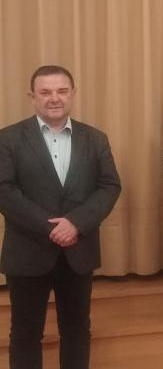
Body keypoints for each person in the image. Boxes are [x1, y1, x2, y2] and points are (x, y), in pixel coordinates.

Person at [0, 65, 122, 369]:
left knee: (77, 330)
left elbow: (109, 186)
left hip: (78, 253)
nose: (54, 98)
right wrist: (51, 227)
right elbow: (4, 190)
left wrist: (76, 223)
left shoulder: (96, 138)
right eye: (45, 92)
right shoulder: (8, 139)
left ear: (73, 94)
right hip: (28, 253)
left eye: (61, 91)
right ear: (33, 97)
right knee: (26, 334)